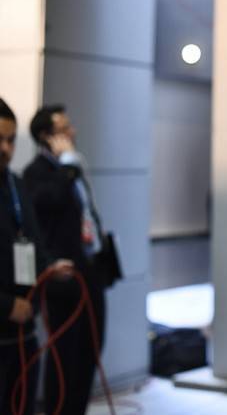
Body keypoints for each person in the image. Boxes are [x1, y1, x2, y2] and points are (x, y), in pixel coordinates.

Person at [23, 105, 106, 415]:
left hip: (90, 267)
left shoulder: (72, 167)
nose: (72, 132)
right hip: (63, 276)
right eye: (63, 129)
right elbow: (50, 201)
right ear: (47, 137)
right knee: (64, 354)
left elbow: (87, 212)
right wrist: (68, 166)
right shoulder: (37, 172)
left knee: (90, 349)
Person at [0, 98, 72, 415]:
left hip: (24, 333)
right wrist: (6, 305)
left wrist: (49, 267)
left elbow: (33, 243)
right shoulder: (34, 176)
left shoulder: (15, 185)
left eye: (10, 140)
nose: (5, 148)